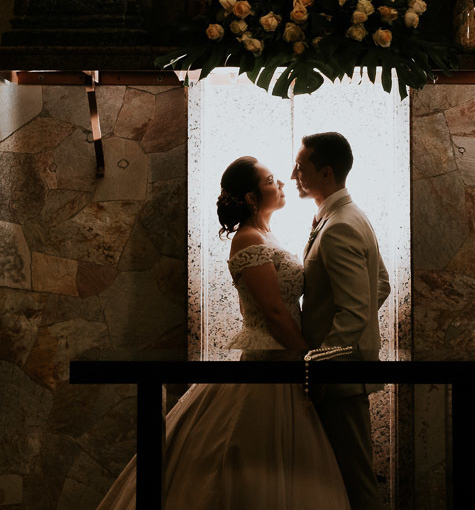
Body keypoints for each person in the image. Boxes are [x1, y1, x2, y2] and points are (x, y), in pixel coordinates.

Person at [96, 156, 351, 510]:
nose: (280, 184)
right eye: (270, 180)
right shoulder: (247, 239)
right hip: (270, 359)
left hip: (282, 358)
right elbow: (273, 311)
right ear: (250, 197)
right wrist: (306, 357)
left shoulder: (266, 235)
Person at [293, 132, 391, 510]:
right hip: (345, 370)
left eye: (301, 168)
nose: (293, 175)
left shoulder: (340, 226)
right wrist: (361, 327)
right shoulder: (347, 216)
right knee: (343, 475)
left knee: (355, 479)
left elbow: (353, 312)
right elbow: (379, 285)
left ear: (326, 173)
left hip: (339, 377)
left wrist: (315, 364)